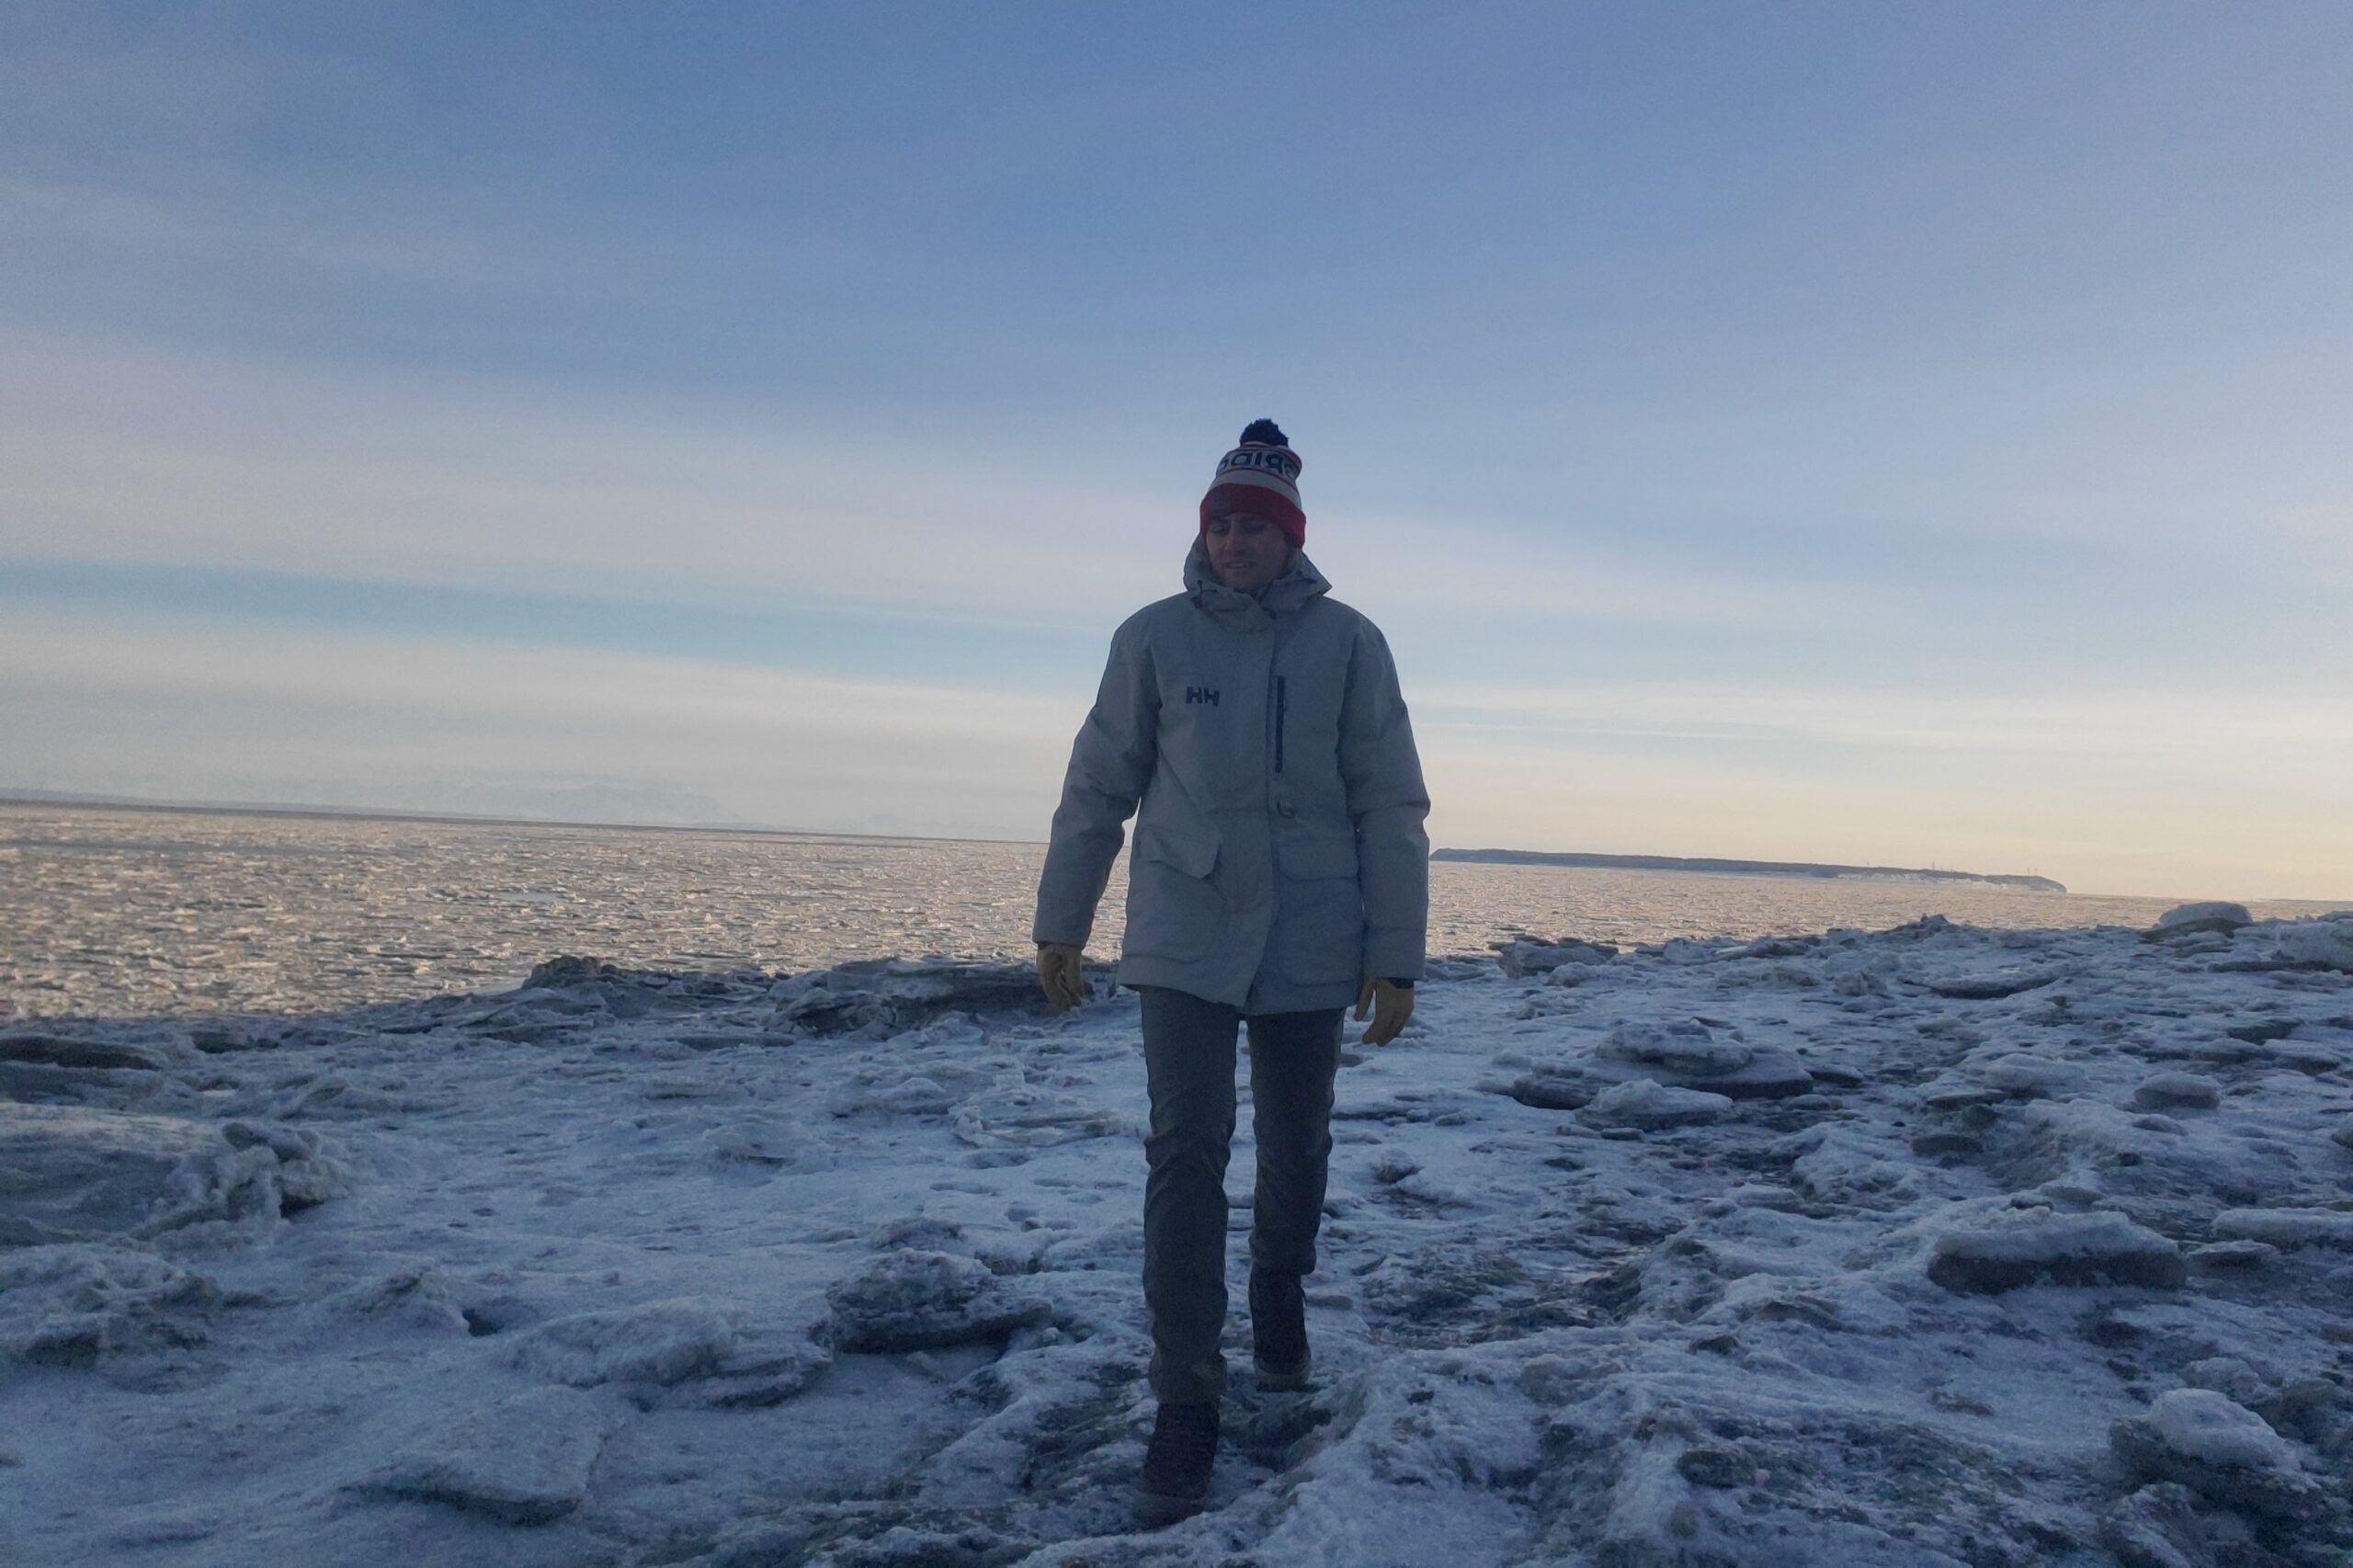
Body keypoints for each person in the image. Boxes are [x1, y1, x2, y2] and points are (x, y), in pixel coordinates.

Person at [1031, 419, 1430, 1526]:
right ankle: (1185, 1391)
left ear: (1290, 536)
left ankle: (1277, 1292)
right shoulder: (1152, 638)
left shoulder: (1351, 643)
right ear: (1199, 531)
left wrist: (1396, 952)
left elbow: (1389, 801)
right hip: (1185, 930)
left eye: (1254, 525)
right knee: (1185, 1149)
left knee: (1296, 1143)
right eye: (1219, 523)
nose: (1234, 541)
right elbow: (1096, 785)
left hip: (1310, 934)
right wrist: (1060, 923)